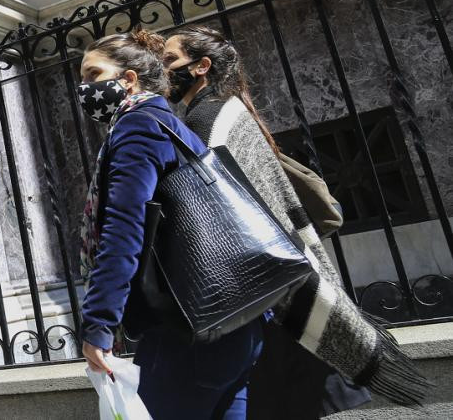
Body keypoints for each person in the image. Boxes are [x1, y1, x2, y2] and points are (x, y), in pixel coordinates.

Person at [163, 24, 426, 416]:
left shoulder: (208, 119)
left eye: (170, 60)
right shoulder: (225, 110)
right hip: (281, 283)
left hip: (266, 293)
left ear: (201, 66)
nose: (163, 69)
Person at [78, 30, 264, 420]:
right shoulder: (168, 125)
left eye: (93, 75)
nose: (85, 88)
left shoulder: (138, 126)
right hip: (235, 320)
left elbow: (124, 226)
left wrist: (99, 323)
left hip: (187, 330)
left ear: (128, 79)